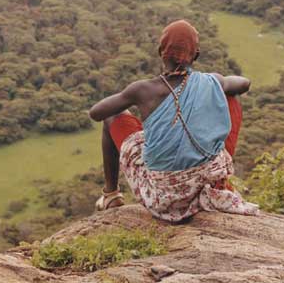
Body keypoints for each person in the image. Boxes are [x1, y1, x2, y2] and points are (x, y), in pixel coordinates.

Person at [88, 19, 258, 222]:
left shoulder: (143, 90)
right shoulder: (211, 81)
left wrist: (132, 96)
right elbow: (244, 84)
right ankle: (219, 181)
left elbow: (97, 112)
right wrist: (218, 82)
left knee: (112, 116)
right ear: (196, 55)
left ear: (161, 52)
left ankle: (111, 195)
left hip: (162, 198)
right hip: (205, 183)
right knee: (230, 97)